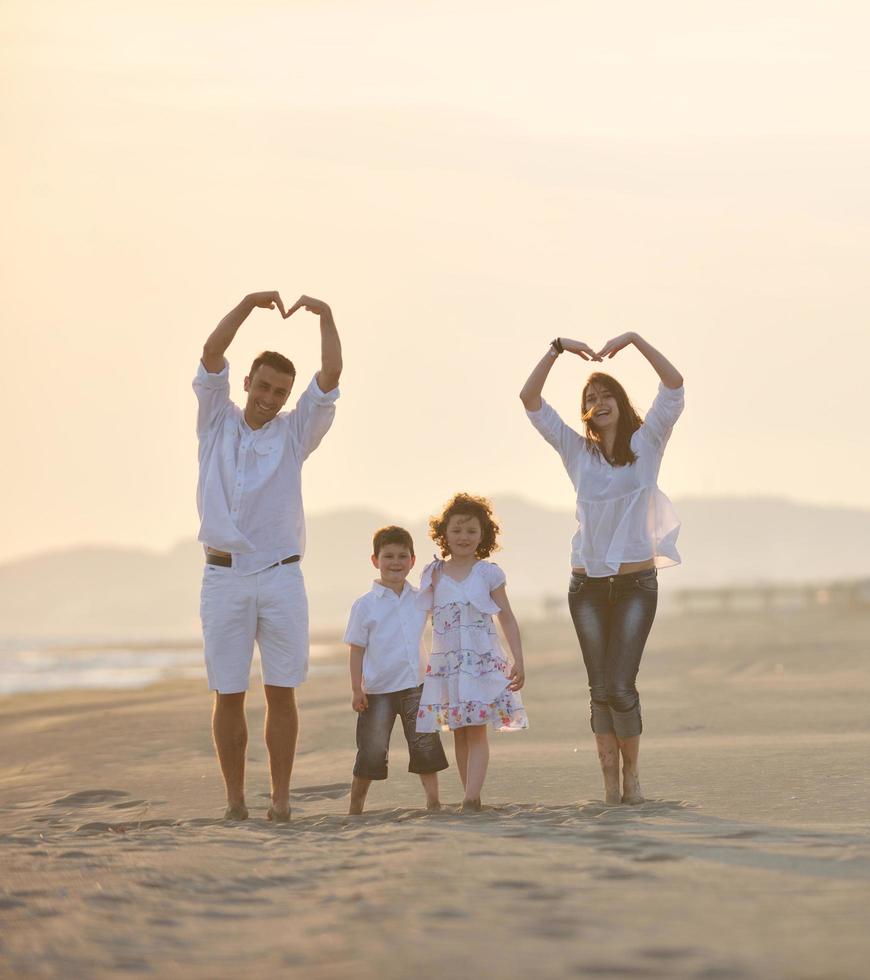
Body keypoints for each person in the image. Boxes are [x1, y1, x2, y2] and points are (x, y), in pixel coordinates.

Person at [193, 290, 342, 822]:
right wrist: (247, 303)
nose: (271, 397)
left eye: (281, 391)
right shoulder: (216, 421)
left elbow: (330, 372)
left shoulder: (295, 433)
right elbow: (212, 351)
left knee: (282, 692)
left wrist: (325, 315)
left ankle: (280, 801)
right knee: (228, 692)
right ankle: (235, 801)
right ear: (247, 384)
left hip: (281, 577)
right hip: (224, 577)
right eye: (264, 386)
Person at [520, 332, 684, 805]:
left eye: (606, 393)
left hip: (636, 584)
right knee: (598, 688)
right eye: (590, 398)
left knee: (619, 684)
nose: (598, 401)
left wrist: (633, 340)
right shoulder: (577, 453)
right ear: (586, 413)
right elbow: (530, 399)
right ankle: (610, 786)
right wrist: (555, 349)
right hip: (586, 586)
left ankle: (632, 777)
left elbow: (673, 384)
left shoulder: (649, 441)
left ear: (620, 402)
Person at [415, 493, 527, 812]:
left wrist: (518, 658)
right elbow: (416, 618)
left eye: (472, 531)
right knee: (459, 731)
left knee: (476, 728)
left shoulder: (488, 573)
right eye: (457, 530)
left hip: (481, 662)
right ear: (444, 534)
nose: (464, 537)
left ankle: (471, 798)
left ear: (484, 535)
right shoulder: (433, 573)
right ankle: (469, 793)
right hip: (447, 664)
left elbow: (506, 616)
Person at [345, 526, 449, 815]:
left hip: (417, 685)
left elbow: (445, 597)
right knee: (372, 750)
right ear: (375, 560)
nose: (395, 562)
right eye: (388, 556)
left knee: (425, 744)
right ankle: (356, 807)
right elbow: (356, 649)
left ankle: (434, 803)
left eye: (403, 556)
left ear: (413, 561)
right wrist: (356, 689)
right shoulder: (365, 606)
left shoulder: (421, 598)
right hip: (377, 691)